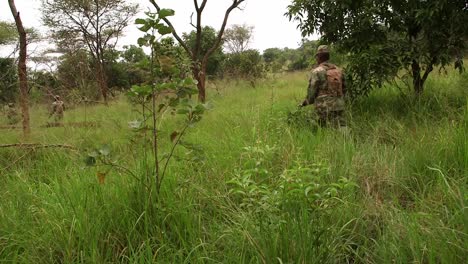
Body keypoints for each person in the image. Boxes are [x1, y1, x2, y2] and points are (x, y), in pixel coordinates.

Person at [300, 45, 346, 127]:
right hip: (339, 104)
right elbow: (344, 88)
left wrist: (306, 102)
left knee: (320, 127)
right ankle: (346, 139)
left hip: (323, 106)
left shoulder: (317, 71)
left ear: (319, 57)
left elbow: (312, 92)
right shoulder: (339, 70)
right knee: (340, 126)